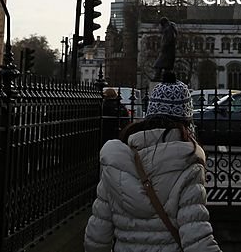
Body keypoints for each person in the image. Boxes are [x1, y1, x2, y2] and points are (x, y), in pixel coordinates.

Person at [85, 79, 222, 252]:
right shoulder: (188, 164)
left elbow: (96, 237)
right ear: (186, 120)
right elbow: (197, 239)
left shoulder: (117, 161)